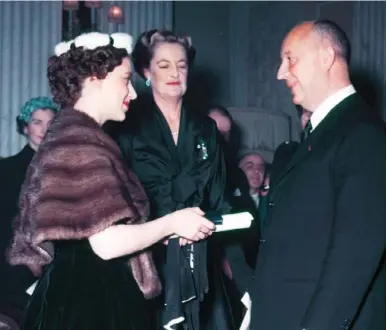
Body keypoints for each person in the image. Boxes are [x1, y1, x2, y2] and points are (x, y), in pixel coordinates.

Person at [6, 31, 215, 330]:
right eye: (125, 80)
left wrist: (164, 232)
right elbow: (104, 243)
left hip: (79, 295)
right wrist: (173, 223)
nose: (131, 92)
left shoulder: (73, 135)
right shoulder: (81, 141)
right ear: (95, 78)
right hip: (91, 302)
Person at [248, 20, 385, 330]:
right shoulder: (325, 131)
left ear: (325, 59)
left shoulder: (364, 135)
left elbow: (353, 258)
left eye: (290, 58)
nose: (280, 73)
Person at [115, 29, 236, 330]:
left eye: (181, 65)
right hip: (147, 265)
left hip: (201, 261)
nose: (174, 73)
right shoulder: (126, 127)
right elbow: (118, 202)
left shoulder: (206, 128)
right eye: (163, 65)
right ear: (146, 71)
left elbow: (221, 199)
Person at [0, 97, 58, 323]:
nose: (44, 130)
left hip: (57, 267)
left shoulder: (66, 169)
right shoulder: (6, 170)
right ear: (25, 127)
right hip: (15, 272)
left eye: (50, 123)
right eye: (37, 122)